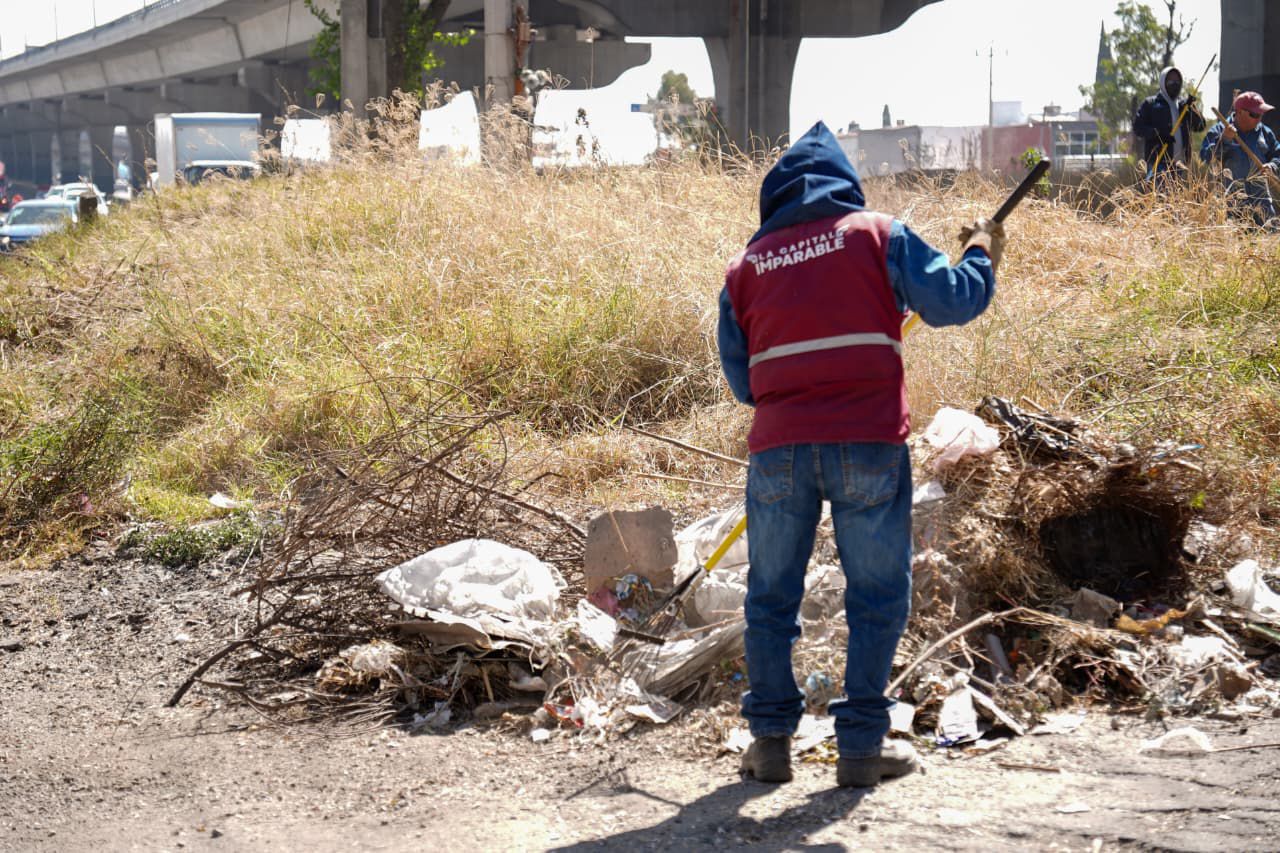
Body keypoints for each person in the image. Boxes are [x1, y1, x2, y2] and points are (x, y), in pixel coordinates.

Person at [717, 122, 1003, 788]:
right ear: (843, 183)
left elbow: (743, 383)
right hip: (868, 443)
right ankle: (860, 749)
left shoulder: (745, 267)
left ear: (777, 195)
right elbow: (955, 299)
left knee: (770, 599)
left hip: (779, 452)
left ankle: (769, 745)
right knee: (875, 596)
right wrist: (982, 250)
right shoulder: (878, 235)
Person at [1200, 91, 1280, 226]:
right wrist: (1224, 140)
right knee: (1234, 242)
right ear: (1240, 112)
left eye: (1261, 114)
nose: (1259, 118)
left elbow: (1277, 154)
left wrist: (1273, 165)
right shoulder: (1219, 131)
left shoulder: (1265, 133)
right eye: (1254, 114)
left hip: (1262, 202)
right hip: (1231, 202)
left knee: (1268, 237)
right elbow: (1207, 158)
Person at [1132, 66, 1206, 181]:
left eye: (1177, 81)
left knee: (1181, 199)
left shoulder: (1183, 106)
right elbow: (1138, 127)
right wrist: (1157, 134)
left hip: (1181, 165)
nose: (1174, 84)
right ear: (1163, 82)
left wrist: (1192, 109)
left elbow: (1200, 126)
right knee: (1160, 197)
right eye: (1170, 81)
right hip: (1159, 162)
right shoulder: (1151, 104)